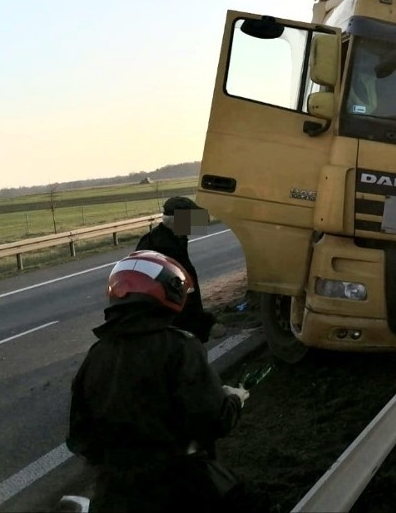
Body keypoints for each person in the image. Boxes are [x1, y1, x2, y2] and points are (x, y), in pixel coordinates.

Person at [67, 250, 268, 512]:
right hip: (180, 488)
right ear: (167, 294)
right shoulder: (181, 347)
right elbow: (212, 422)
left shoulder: (97, 355)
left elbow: (79, 437)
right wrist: (234, 400)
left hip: (114, 493)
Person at [137, 196, 217, 343]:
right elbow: (176, 298)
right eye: (192, 219)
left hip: (171, 330)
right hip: (170, 334)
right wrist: (204, 325)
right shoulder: (163, 248)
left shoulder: (173, 240)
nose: (196, 224)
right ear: (178, 221)